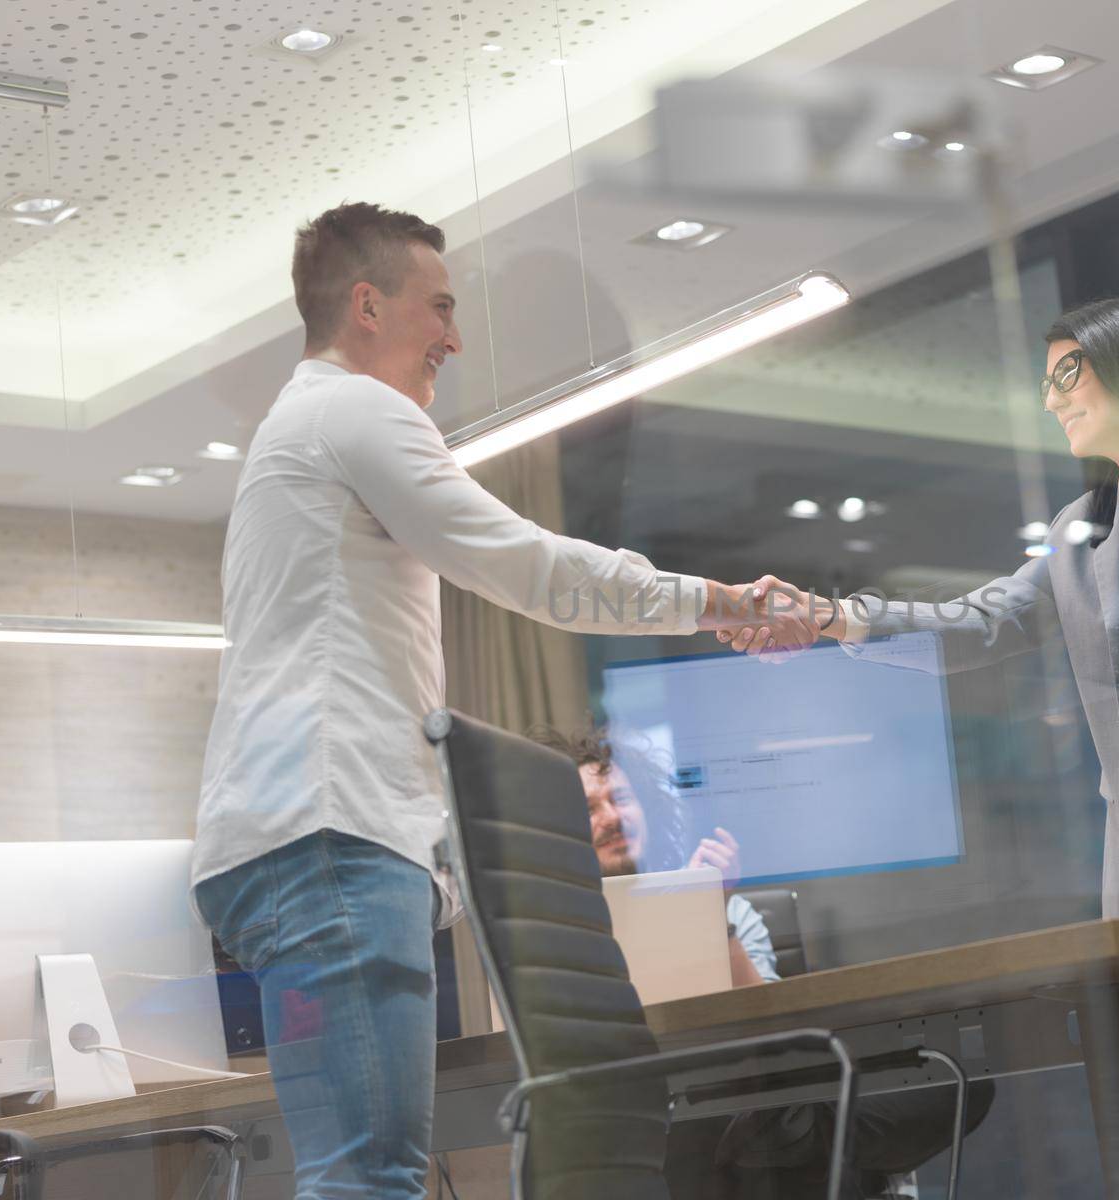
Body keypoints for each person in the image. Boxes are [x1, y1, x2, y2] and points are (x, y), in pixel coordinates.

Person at [190, 202, 811, 1200]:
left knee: (347, 1170)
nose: (453, 335)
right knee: (370, 1177)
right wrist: (715, 602)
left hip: (277, 850)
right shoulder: (355, 410)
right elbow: (528, 567)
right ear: (365, 306)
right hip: (333, 840)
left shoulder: (291, 433)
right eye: (436, 307)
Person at [727, 298, 1119, 918]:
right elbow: (983, 623)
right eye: (1045, 384)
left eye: (1066, 375)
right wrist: (829, 614)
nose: (1051, 401)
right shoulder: (1083, 531)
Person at [536, 723, 995, 1200]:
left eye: (621, 799)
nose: (610, 816)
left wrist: (709, 919)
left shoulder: (727, 908)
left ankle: (785, 1134)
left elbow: (778, 1034)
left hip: (762, 1095)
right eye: (587, 808)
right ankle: (792, 1138)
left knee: (964, 1088)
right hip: (664, 1117)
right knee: (775, 1142)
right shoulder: (557, 934)